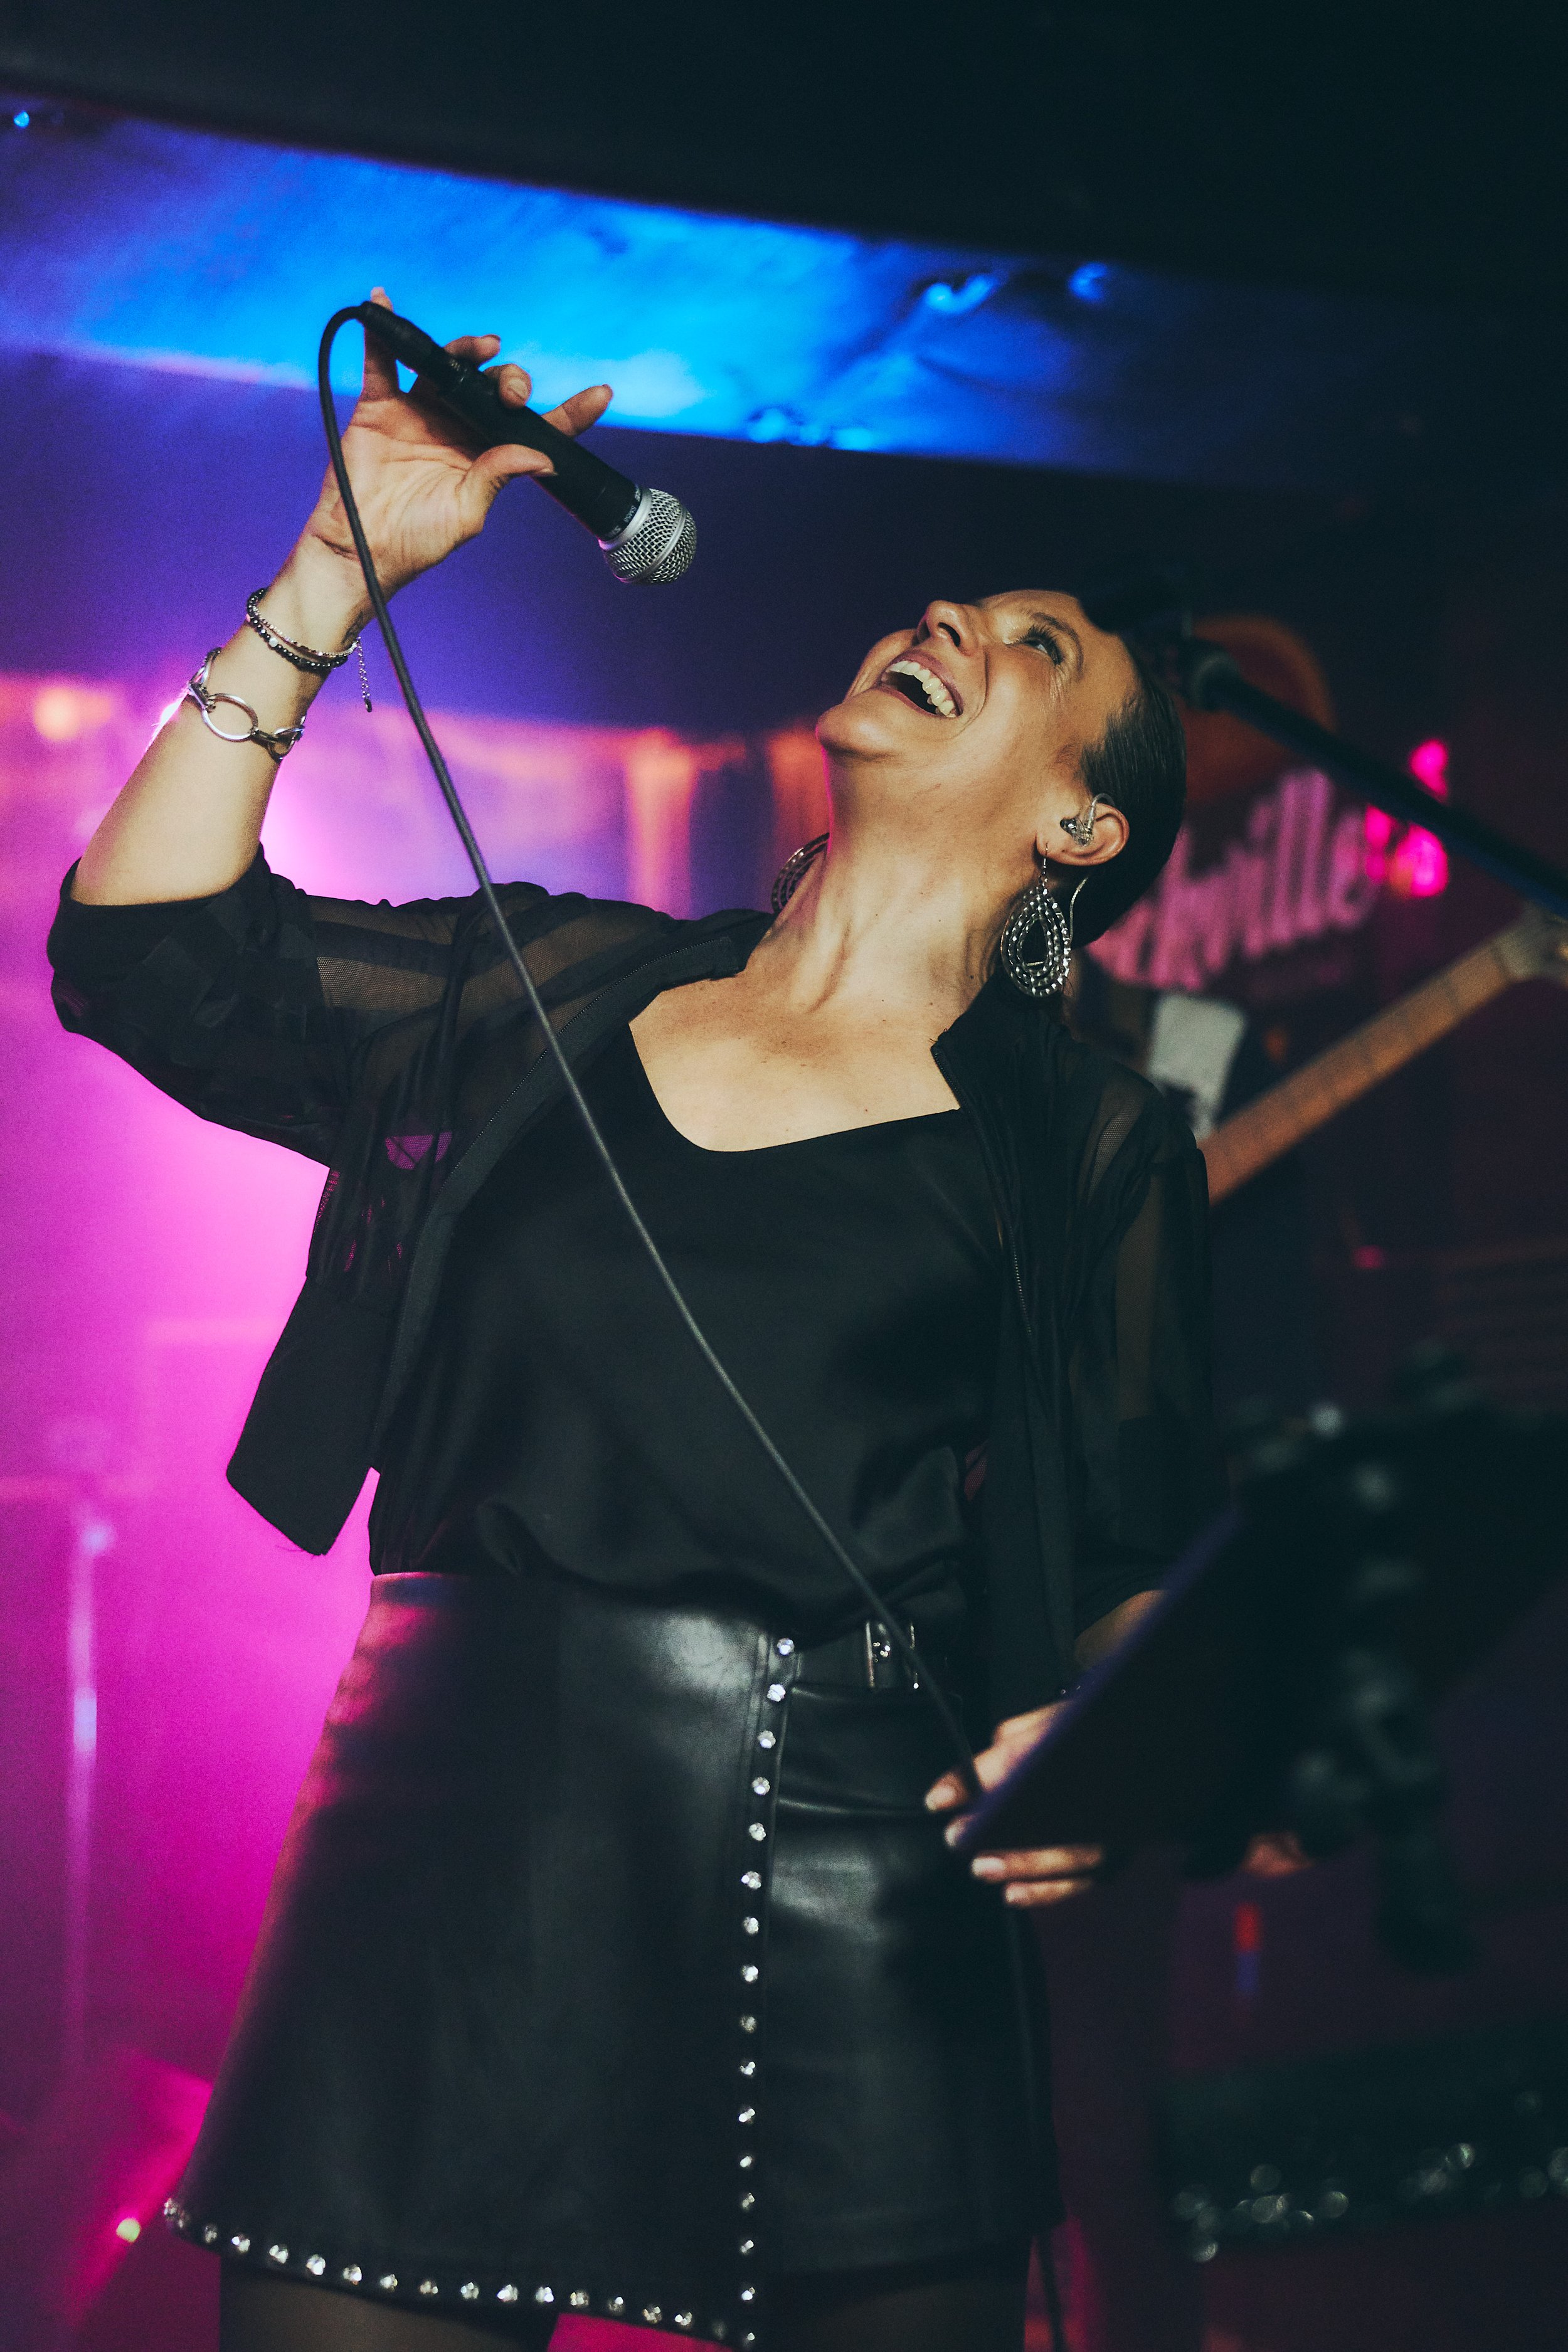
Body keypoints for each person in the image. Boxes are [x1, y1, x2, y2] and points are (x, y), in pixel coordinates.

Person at [47, 294, 1217, 2352]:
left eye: (1038, 649)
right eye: (961, 604)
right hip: (441, 1831)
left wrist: (1129, 1746)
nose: (954, 617)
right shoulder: (543, 987)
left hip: (849, 1877)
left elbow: (1132, 1556)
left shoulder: (1087, 1143)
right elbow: (144, 957)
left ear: (1080, 828)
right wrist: (330, 578)